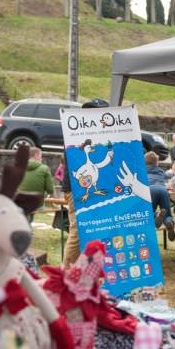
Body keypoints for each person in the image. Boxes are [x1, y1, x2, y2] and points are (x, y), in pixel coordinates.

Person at [63, 98, 109, 267]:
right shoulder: (75, 135)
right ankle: (66, 274)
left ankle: (90, 269)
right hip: (77, 189)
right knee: (78, 229)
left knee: (97, 228)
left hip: (98, 186)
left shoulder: (102, 137)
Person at [144, 151, 175, 242]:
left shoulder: (142, 172)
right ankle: (169, 222)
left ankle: (157, 215)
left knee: (149, 211)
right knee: (167, 213)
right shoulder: (160, 171)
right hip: (162, 190)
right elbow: (168, 175)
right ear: (157, 162)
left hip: (149, 190)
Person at [18, 147, 54, 223]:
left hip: (19, 202)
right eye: (41, 156)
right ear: (36, 155)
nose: (41, 158)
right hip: (37, 204)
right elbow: (50, 190)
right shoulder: (44, 168)